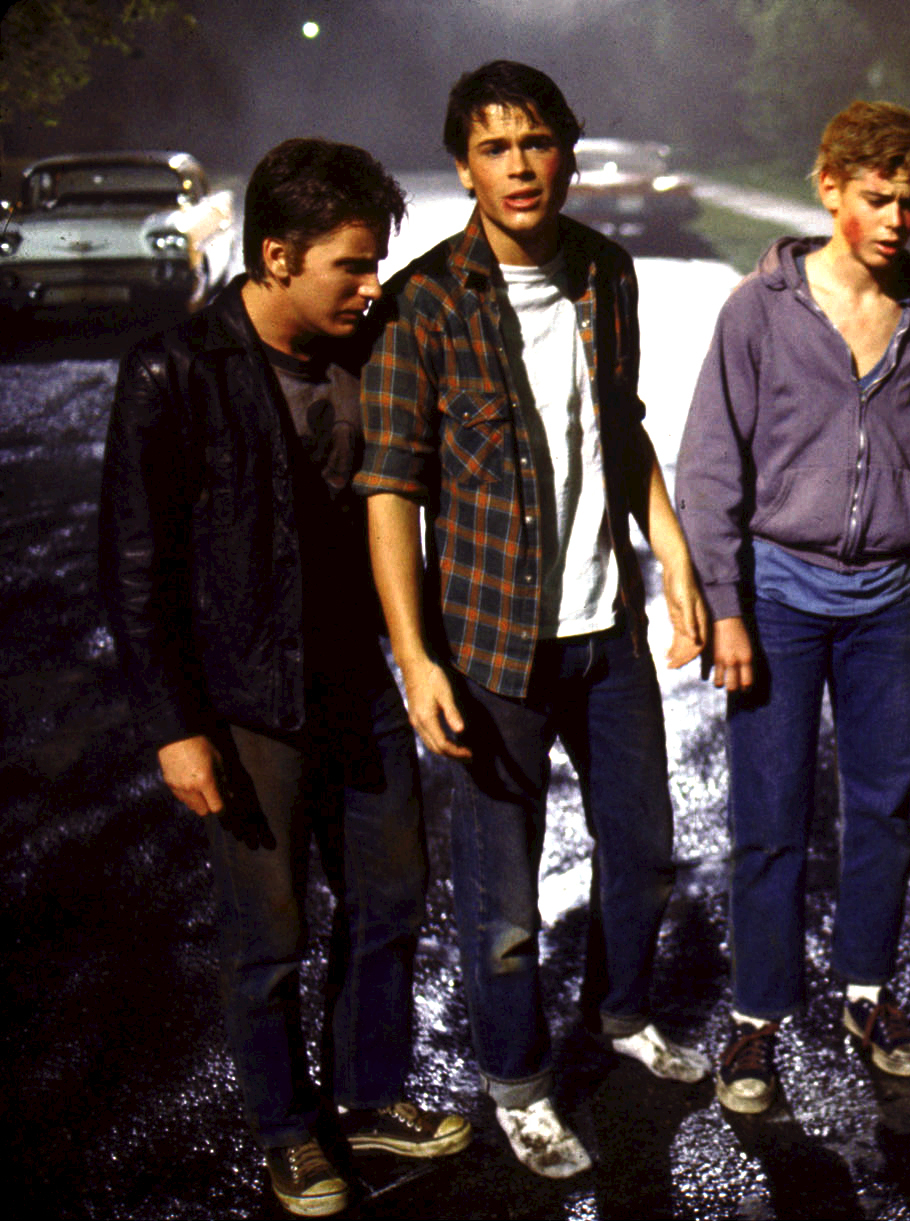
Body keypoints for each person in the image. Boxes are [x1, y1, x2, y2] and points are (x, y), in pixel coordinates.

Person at [99, 138, 469, 1217]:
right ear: (273, 255)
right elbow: (133, 565)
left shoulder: (374, 347)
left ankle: (366, 1100)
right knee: (268, 935)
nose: (370, 288)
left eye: (378, 266)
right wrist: (174, 725)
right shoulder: (176, 369)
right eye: (351, 266)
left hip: (362, 687)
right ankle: (286, 1133)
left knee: (390, 901)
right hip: (247, 698)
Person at [357, 61, 710, 1178]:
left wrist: (679, 555)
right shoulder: (423, 302)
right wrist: (415, 654)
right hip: (490, 641)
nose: (520, 166)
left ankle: (621, 1014)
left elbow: (623, 425)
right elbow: (389, 488)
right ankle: (516, 1084)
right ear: (464, 165)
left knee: (644, 856)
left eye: (537, 143)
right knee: (503, 898)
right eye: (495, 148)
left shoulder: (604, 272)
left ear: (567, 148)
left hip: (605, 632)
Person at [676, 100, 910, 1115]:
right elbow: (710, 465)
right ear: (829, 187)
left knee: (883, 807)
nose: (894, 218)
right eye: (875, 198)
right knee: (770, 817)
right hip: (780, 594)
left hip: (883, 594)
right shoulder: (760, 311)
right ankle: (757, 1018)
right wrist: (722, 604)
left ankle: (868, 994)